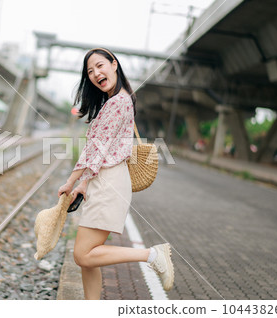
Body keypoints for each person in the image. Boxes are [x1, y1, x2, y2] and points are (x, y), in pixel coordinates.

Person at [58, 48, 174, 300]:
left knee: (83, 254)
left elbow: (95, 149)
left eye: (100, 66)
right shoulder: (117, 101)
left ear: (114, 65)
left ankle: (151, 255)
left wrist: (71, 180)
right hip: (103, 181)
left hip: (109, 184)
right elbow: (102, 149)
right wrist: (85, 183)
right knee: (89, 260)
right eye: (90, 71)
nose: (96, 73)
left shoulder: (118, 102)